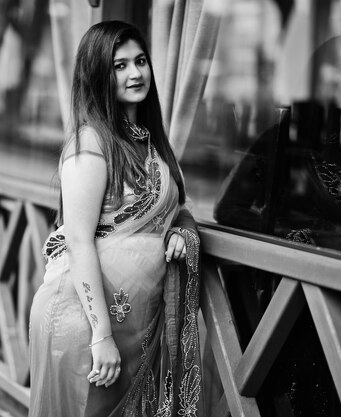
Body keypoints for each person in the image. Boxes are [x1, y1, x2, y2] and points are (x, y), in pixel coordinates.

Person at [28, 20, 204, 417]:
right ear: (97, 75)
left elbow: (177, 208)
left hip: (136, 326)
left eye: (140, 61)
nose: (136, 73)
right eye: (119, 65)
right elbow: (77, 240)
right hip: (85, 327)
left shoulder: (149, 141)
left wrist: (183, 230)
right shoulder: (90, 144)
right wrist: (101, 336)